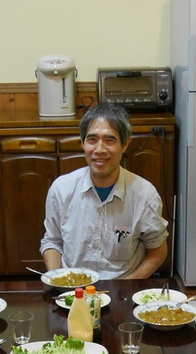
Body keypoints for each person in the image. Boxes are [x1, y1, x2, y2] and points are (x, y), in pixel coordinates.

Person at [40, 103, 168, 279]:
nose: (99, 150)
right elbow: (52, 242)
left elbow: (158, 250)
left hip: (120, 289)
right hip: (72, 288)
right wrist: (56, 279)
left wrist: (127, 286)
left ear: (125, 144)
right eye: (92, 140)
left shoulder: (144, 194)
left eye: (110, 140)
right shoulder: (61, 189)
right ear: (82, 143)